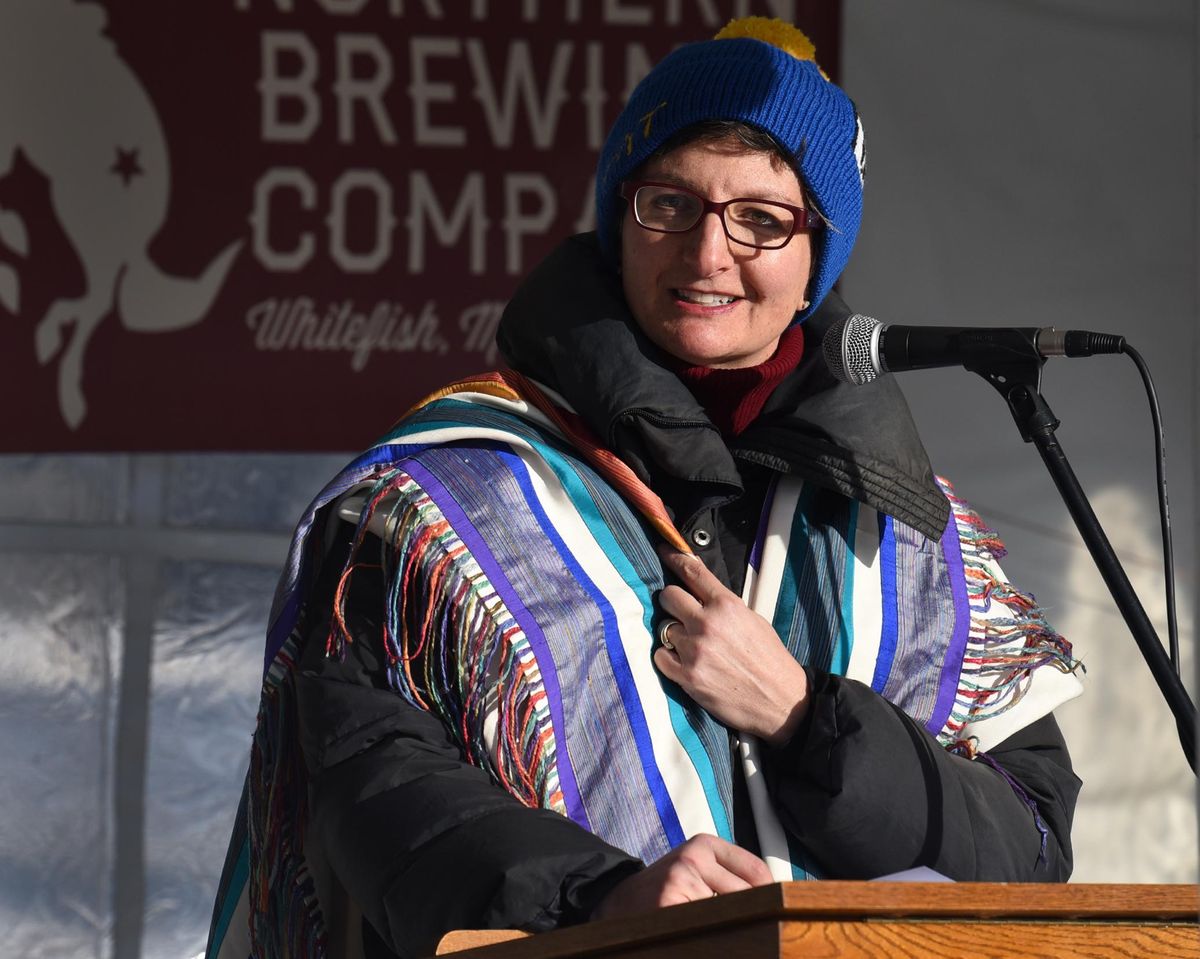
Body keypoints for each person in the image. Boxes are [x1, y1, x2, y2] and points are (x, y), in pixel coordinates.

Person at [207, 17, 1083, 959]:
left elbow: (1029, 844)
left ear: (816, 257)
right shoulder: (442, 499)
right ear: (620, 218)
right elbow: (368, 776)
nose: (708, 255)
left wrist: (804, 718)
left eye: (761, 218)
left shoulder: (909, 529)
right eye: (670, 204)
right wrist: (604, 901)